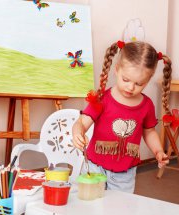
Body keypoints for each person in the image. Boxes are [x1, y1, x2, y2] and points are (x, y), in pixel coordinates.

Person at [72, 40, 171, 193]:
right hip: (94, 167)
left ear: (148, 80)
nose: (131, 87)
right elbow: (82, 122)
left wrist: (158, 151)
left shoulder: (146, 105)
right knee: (89, 206)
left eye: (139, 84)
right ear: (117, 70)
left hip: (124, 173)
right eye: (126, 80)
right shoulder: (102, 98)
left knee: (119, 209)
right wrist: (77, 132)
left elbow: (149, 131)